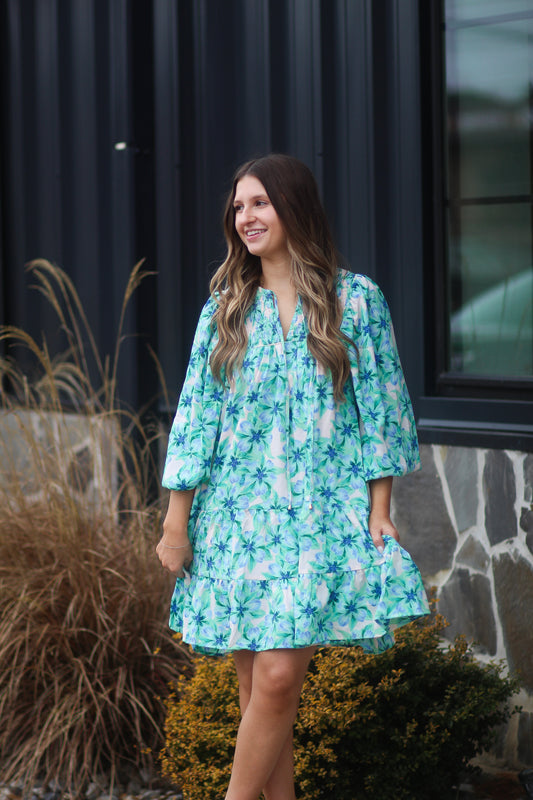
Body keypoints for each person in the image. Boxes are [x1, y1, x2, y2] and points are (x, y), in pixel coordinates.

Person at [157, 153, 429, 800]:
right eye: (238, 206)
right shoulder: (223, 309)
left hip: (319, 515)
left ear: (293, 206)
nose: (245, 217)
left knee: (278, 680)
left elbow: (382, 409)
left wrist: (378, 508)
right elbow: (195, 417)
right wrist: (175, 521)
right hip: (235, 517)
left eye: (259, 203)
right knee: (257, 690)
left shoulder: (354, 300)